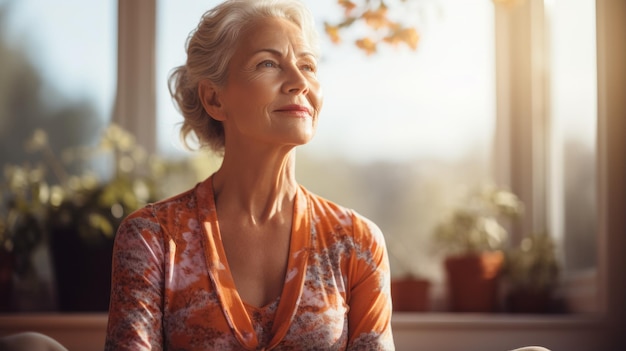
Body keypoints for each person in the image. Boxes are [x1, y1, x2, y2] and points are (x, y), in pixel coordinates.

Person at [104, 0, 395, 350]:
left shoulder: (357, 244)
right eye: (268, 63)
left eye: (308, 65)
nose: (300, 81)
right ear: (214, 99)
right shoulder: (153, 239)